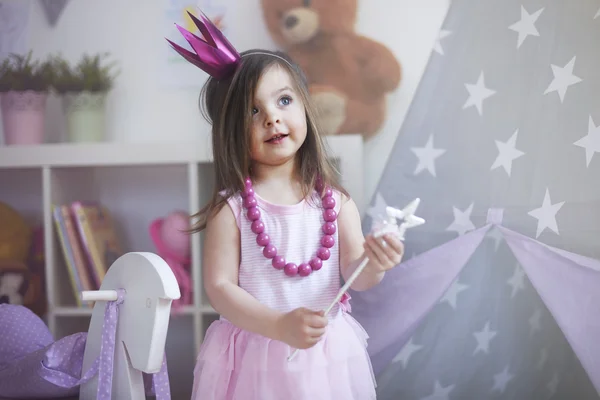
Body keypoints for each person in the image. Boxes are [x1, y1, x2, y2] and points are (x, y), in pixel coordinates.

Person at [167, 11, 405, 400]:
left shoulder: (335, 202)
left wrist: (375, 263)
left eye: (283, 100)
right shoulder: (232, 210)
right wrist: (277, 325)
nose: (272, 117)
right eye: (252, 110)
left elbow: (355, 277)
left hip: (323, 356)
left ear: (305, 107)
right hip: (253, 357)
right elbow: (220, 287)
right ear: (230, 129)